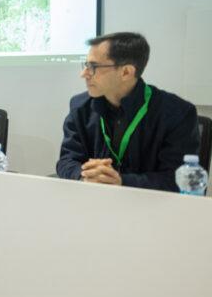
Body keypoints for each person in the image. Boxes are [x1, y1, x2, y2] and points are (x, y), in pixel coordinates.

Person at [57, 32, 199, 191]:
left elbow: (176, 179)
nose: (83, 74)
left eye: (93, 67)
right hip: (93, 201)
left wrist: (121, 181)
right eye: (85, 65)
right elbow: (67, 161)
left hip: (151, 207)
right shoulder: (80, 106)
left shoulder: (178, 113)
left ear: (126, 72)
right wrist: (84, 176)